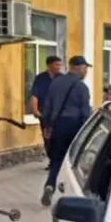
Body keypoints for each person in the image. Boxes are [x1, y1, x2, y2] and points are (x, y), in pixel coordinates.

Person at [40, 56, 93, 206]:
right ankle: (72, 196)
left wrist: (47, 127)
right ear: (78, 68)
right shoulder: (81, 87)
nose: (86, 72)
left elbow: (47, 107)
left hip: (58, 126)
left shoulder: (55, 83)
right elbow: (85, 112)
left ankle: (50, 185)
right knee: (74, 161)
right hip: (75, 126)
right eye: (85, 68)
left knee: (57, 159)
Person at [29, 55, 64, 168]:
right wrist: (35, 110)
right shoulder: (40, 78)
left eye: (60, 65)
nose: (59, 67)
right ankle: (52, 161)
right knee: (48, 138)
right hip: (46, 116)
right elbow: (35, 95)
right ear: (49, 66)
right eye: (56, 65)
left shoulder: (62, 79)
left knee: (59, 138)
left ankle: (59, 161)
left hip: (60, 115)